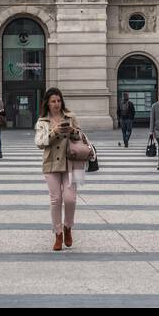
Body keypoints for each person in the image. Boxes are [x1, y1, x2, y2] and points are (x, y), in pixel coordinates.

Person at [34, 87, 91, 251]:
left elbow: (80, 136)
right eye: (53, 101)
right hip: (51, 163)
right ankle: (58, 233)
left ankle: (68, 227)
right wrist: (54, 132)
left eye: (58, 101)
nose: (56, 104)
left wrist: (73, 131)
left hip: (72, 163)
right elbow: (39, 142)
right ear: (47, 103)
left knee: (70, 199)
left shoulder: (70, 116)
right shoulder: (42, 121)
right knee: (55, 199)